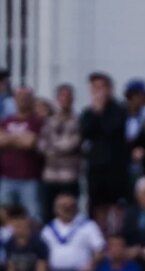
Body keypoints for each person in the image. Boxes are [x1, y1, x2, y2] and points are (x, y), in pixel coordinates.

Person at [79, 72, 128, 227]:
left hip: (115, 166)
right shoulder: (88, 112)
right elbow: (85, 132)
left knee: (116, 204)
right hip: (96, 166)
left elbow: (111, 129)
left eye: (101, 87)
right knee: (97, 205)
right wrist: (96, 112)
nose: (98, 92)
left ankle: (116, 238)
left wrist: (100, 112)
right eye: (94, 88)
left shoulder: (119, 110)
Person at [38, 84, 83, 219]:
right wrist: (57, 146)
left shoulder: (78, 121)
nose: (65, 99)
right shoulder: (49, 121)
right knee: (48, 214)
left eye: (68, 96)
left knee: (69, 214)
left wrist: (53, 147)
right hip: (50, 176)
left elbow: (72, 144)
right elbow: (41, 145)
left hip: (69, 177)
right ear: (57, 99)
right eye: (62, 96)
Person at [0, 86, 44, 222]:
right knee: (5, 218)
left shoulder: (37, 122)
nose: (22, 100)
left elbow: (30, 142)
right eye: (19, 97)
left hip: (30, 179)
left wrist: (9, 138)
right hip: (6, 178)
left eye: (26, 97)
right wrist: (21, 138)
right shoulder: (5, 121)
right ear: (14, 100)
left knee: (33, 218)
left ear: (32, 100)